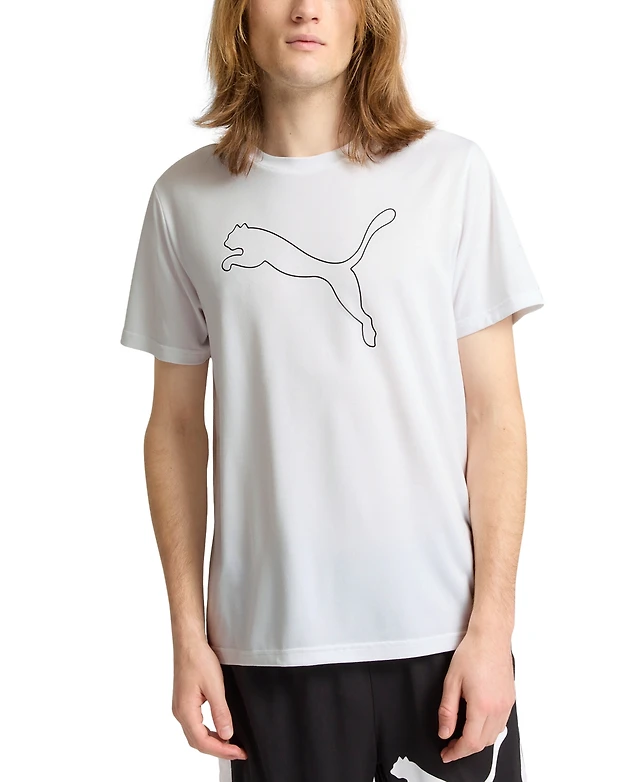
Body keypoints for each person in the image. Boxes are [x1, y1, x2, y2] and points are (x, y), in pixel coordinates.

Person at [119, 0, 545, 780]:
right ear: (239, 17)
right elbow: (174, 428)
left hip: (442, 645)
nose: (306, 8)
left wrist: (493, 628)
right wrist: (186, 634)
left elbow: (496, 418)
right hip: (266, 652)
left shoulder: (452, 175)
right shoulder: (184, 199)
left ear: (365, 18)